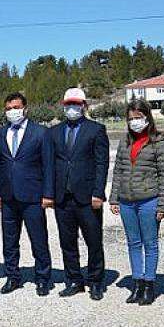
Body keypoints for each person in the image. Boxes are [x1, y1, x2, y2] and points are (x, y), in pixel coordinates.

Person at [0, 92, 54, 297]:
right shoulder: (0, 134)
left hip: (33, 196)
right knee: (9, 241)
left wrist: (48, 194)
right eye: (9, 109)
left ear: (25, 109)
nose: (13, 112)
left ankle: (43, 278)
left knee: (38, 239)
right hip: (8, 197)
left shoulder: (41, 133)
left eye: (16, 108)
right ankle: (13, 276)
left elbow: (48, 166)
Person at [50, 88, 110, 301]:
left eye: (76, 104)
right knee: (67, 242)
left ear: (84, 105)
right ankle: (74, 280)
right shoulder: (54, 132)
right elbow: (51, 164)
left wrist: (98, 193)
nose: (72, 108)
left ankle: (95, 281)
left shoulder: (96, 130)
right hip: (62, 197)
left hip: (87, 197)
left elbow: (102, 163)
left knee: (94, 241)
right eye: (68, 104)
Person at [109, 99, 164, 306]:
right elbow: (118, 171)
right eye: (131, 119)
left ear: (147, 118)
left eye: (138, 117)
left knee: (150, 243)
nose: (135, 122)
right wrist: (114, 198)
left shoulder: (158, 141)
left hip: (149, 200)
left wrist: (162, 205)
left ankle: (149, 284)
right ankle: (137, 283)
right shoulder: (125, 141)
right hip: (126, 201)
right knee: (133, 243)